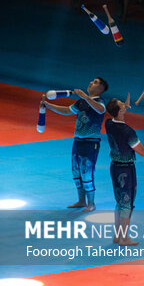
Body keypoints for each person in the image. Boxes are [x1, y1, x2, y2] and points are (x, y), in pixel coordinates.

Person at [105, 94, 144, 246]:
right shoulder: (128, 131)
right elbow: (143, 151)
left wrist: (123, 107)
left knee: (119, 202)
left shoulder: (109, 123)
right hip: (126, 170)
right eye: (122, 105)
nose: (125, 105)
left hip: (114, 167)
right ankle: (124, 238)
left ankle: (117, 235)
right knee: (127, 204)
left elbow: (117, 113)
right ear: (120, 111)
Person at [40, 77, 108, 212]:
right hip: (77, 141)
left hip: (91, 143)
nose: (90, 83)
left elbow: (101, 110)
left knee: (87, 172)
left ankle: (91, 203)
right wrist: (48, 105)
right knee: (76, 171)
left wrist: (85, 96)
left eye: (94, 82)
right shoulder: (82, 102)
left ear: (101, 89)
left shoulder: (100, 102)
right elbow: (67, 110)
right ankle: (81, 201)